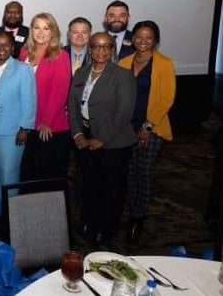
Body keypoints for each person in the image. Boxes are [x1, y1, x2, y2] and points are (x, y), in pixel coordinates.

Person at [68, 32, 136, 245]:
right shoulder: (81, 73)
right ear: (90, 49)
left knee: (111, 188)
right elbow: (72, 106)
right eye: (96, 46)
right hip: (85, 139)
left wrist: (103, 139)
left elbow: (124, 112)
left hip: (114, 143)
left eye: (106, 46)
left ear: (112, 49)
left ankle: (106, 228)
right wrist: (78, 133)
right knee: (89, 184)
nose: (101, 50)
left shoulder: (123, 75)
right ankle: (88, 220)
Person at [118, 21, 176, 243]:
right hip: (125, 128)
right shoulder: (123, 62)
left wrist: (147, 126)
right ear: (132, 39)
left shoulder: (164, 64)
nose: (143, 41)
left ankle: (138, 219)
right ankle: (132, 210)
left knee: (142, 174)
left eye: (148, 37)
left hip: (151, 129)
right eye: (139, 37)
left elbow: (166, 99)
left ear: (155, 40)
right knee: (128, 173)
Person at [0, 32, 36, 219]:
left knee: (9, 175)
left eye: (6, 45)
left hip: (12, 132)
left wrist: (25, 128)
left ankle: (12, 216)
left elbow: (29, 102)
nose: (1, 48)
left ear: (13, 48)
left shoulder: (23, 69)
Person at [19, 12, 72, 182]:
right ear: (31, 30)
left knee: (47, 175)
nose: (41, 32)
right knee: (27, 172)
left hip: (49, 126)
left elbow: (60, 92)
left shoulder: (60, 55)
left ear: (53, 32)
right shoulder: (24, 52)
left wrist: (46, 122)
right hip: (27, 123)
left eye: (46, 28)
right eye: (36, 27)